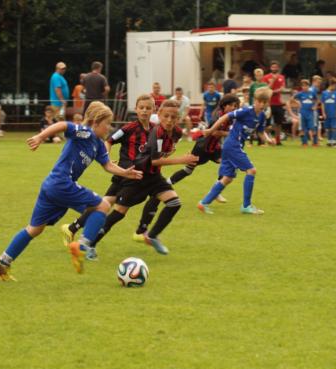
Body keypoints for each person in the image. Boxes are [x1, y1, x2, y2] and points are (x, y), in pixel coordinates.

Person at [0, 101, 143, 281]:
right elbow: (63, 125)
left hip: (51, 186)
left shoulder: (99, 145)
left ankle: (2, 262)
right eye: (107, 123)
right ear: (95, 122)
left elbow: (108, 165)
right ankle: (82, 247)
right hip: (62, 183)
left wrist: (125, 172)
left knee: (35, 229)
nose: (109, 128)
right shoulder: (85, 132)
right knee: (103, 206)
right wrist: (40, 137)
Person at [88, 99, 197, 256]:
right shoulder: (157, 132)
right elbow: (155, 160)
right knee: (119, 213)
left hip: (154, 176)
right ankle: (90, 244)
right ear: (159, 115)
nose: (169, 120)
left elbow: (165, 152)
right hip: (138, 176)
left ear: (178, 118)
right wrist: (182, 159)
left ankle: (152, 235)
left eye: (173, 117)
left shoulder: (177, 132)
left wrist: (174, 154)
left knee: (174, 203)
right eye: (166, 116)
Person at [131, 94, 241, 234]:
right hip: (203, 148)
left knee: (229, 167)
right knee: (188, 170)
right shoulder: (217, 117)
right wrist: (229, 134)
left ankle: (216, 191)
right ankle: (168, 183)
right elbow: (212, 132)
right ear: (224, 105)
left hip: (214, 149)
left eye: (236, 106)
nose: (234, 108)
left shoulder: (229, 117)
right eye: (231, 105)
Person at [63, 94, 156, 254]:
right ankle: (89, 242)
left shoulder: (155, 130)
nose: (144, 111)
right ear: (136, 109)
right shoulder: (128, 128)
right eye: (141, 108)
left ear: (153, 109)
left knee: (104, 203)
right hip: (127, 174)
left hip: (132, 175)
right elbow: (109, 140)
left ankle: (73, 228)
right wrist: (107, 157)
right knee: (119, 210)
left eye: (148, 108)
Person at [197, 87, 273, 215]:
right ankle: (246, 206)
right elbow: (225, 117)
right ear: (255, 100)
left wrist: (268, 140)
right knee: (251, 171)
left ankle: (203, 203)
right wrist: (210, 130)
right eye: (259, 101)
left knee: (227, 178)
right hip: (233, 145)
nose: (262, 104)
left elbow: (260, 132)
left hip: (233, 146)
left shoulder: (261, 116)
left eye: (264, 102)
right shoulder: (246, 111)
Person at [262, 61, 286, 146]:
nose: (274, 68)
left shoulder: (281, 77)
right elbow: (266, 88)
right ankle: (264, 140)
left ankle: (278, 140)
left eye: (276, 67)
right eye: (273, 67)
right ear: (270, 68)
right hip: (268, 104)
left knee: (278, 123)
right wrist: (273, 81)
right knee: (267, 124)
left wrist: (273, 91)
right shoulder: (266, 77)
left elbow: (282, 88)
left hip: (278, 103)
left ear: (278, 68)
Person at [293, 79, 316, 147]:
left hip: (310, 113)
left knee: (312, 128)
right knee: (302, 128)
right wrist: (298, 102)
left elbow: (317, 100)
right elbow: (292, 98)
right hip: (302, 113)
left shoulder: (312, 93)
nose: (304, 87)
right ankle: (304, 142)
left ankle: (314, 142)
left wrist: (314, 106)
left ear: (308, 86)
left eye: (306, 86)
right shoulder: (300, 94)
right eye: (303, 86)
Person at [321, 77, 336, 147]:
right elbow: (322, 103)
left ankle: (334, 142)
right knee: (328, 128)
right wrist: (323, 113)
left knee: (334, 128)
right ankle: (329, 142)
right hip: (327, 114)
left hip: (334, 113)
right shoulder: (324, 93)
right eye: (335, 85)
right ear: (331, 84)